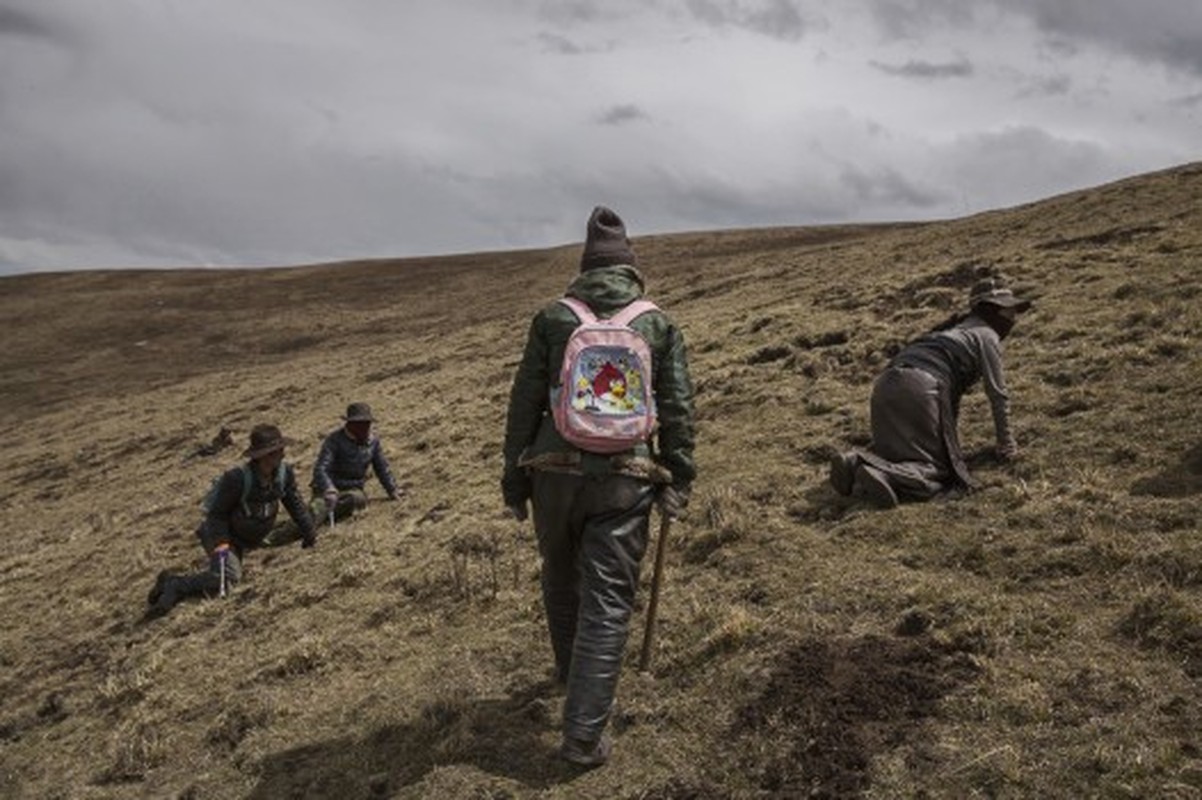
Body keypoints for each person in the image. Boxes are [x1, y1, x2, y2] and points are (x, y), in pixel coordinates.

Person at [502, 205, 696, 767]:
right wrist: (678, 476)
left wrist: (514, 481)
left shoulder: (551, 318)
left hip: (552, 474)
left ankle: (571, 676)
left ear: (584, 269)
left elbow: (524, 402)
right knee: (609, 603)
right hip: (625, 477)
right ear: (631, 269)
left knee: (561, 579)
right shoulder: (657, 323)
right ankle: (583, 735)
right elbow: (679, 408)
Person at [830, 277, 1032, 508]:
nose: (1013, 317)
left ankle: (854, 462)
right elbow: (997, 394)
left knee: (903, 452)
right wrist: (1007, 446)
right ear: (992, 310)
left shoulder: (950, 332)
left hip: (887, 383)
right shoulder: (986, 335)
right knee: (940, 471)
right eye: (1009, 310)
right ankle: (883, 473)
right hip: (922, 386)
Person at [145, 424, 317, 619]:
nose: (280, 455)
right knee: (227, 580)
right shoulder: (236, 479)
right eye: (273, 452)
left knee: (227, 575)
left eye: (280, 450)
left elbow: (294, 502)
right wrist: (222, 544)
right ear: (260, 455)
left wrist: (308, 530)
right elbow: (216, 515)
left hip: (252, 536)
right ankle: (174, 584)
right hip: (224, 536)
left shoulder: (284, 474)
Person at [309, 402, 401, 527]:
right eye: (360, 424)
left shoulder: (373, 442)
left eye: (367, 423)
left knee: (357, 499)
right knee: (313, 515)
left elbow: (382, 467)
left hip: (353, 490)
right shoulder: (334, 440)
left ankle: (323, 513)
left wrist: (392, 489)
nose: (365, 428)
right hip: (328, 491)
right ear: (350, 424)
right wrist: (329, 489)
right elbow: (321, 468)